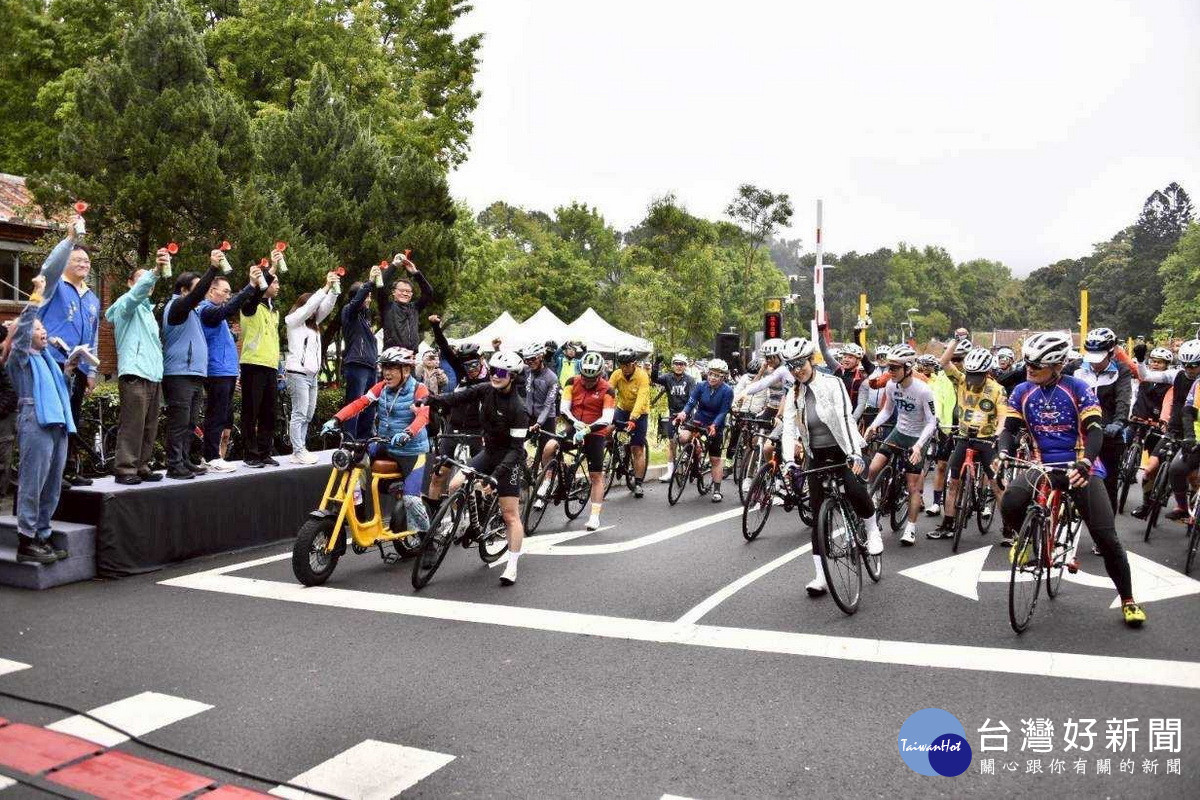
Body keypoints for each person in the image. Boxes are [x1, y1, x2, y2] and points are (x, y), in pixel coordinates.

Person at [995, 331, 1147, 627]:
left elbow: (1094, 430)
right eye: (1027, 363)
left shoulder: (1078, 388)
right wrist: (1003, 452)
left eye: (1037, 365)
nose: (1029, 368)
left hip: (1080, 466)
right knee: (1011, 499)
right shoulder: (1022, 390)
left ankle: (1128, 599)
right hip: (1042, 465)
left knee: (1105, 536)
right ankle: (1028, 545)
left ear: (1056, 366)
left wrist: (1086, 462)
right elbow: (1010, 430)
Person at [779, 337, 882, 596]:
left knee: (854, 488)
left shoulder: (833, 383)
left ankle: (871, 529)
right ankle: (820, 577)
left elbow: (846, 420)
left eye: (800, 363)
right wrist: (789, 461)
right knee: (817, 516)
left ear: (811, 360)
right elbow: (789, 430)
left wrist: (854, 454)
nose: (796, 370)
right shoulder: (793, 394)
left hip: (844, 449)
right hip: (816, 454)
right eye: (791, 366)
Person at [422, 351, 529, 586]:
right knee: (455, 485)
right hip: (488, 452)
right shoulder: (486, 389)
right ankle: (473, 519)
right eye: (492, 370)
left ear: (512, 376)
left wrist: (494, 477)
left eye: (501, 372)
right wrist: (433, 399)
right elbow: (458, 398)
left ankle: (512, 565)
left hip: (509, 460)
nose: (495, 376)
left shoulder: (518, 409)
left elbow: (516, 450)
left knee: (510, 515)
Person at [7, 228, 78, 563]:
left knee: (52, 483)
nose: (42, 330)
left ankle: (44, 535)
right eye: (38, 329)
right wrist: (34, 299)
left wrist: (70, 367)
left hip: (58, 421)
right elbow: (21, 330)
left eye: (42, 328)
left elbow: (60, 387)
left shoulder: (48, 358)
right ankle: (26, 539)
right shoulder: (20, 359)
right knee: (33, 482)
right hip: (35, 418)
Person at [322, 347, 431, 551]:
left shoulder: (420, 390)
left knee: (411, 499)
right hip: (384, 444)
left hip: (411, 451)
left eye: (392, 368)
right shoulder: (381, 387)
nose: (386, 373)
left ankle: (428, 544)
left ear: (406, 370)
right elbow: (360, 403)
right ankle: (360, 517)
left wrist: (408, 432)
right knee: (353, 462)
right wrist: (336, 419)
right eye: (384, 367)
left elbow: (423, 416)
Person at [36, 240, 100, 487]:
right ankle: (51, 474)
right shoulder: (54, 286)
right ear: (65, 263)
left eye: (87, 261)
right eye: (78, 260)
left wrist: (92, 370)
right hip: (54, 362)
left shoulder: (92, 297)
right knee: (55, 417)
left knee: (73, 417)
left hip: (80, 366)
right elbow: (48, 268)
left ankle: (68, 470)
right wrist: (70, 238)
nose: (84, 264)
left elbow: (94, 334)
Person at [928, 346, 1007, 538]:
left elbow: (1004, 417)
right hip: (964, 439)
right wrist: (956, 341)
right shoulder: (962, 380)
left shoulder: (997, 389)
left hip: (987, 440)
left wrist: (998, 435)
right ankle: (948, 524)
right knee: (953, 482)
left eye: (977, 375)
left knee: (998, 485)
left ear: (987, 372)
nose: (972, 379)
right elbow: (944, 362)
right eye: (970, 374)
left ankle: (1009, 528)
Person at [104, 252, 169, 484]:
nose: (147, 286)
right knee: (133, 423)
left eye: (148, 282)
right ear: (131, 283)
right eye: (140, 280)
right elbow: (135, 296)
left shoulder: (149, 312)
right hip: (134, 372)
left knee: (150, 425)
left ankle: (141, 465)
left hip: (153, 374)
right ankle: (125, 469)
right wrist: (153, 273)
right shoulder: (125, 305)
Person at [864, 344, 939, 545]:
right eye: (889, 367)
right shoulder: (890, 384)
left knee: (913, 486)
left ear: (908, 368)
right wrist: (873, 425)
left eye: (895, 368)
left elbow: (932, 422)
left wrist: (919, 446)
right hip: (899, 432)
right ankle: (874, 499)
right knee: (873, 467)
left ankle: (911, 527)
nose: (891, 372)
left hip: (917, 438)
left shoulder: (923, 390)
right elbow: (888, 411)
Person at [198, 262, 267, 472]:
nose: (228, 296)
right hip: (216, 371)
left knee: (224, 417)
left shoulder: (218, 315)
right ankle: (210, 456)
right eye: (225, 291)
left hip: (227, 371)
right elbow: (229, 309)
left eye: (230, 292)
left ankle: (215, 456)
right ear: (211, 290)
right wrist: (249, 286)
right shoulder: (206, 310)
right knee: (216, 415)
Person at [539, 351, 614, 530]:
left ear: (600, 374)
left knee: (596, 475)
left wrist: (588, 428)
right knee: (550, 446)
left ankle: (594, 516)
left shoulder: (607, 389)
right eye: (585, 377)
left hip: (595, 432)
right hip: (575, 426)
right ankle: (549, 480)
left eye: (592, 378)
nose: (588, 381)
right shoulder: (572, 382)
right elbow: (564, 408)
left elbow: (607, 418)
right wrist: (575, 423)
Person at [161, 255, 221, 479]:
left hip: (194, 374)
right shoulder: (177, 306)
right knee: (179, 422)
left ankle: (184, 460)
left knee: (190, 423)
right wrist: (213, 269)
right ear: (185, 290)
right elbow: (197, 295)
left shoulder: (192, 312)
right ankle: (174, 464)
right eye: (197, 288)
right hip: (179, 373)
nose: (203, 292)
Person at [1130, 339, 1200, 520]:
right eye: (1186, 365)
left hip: (1193, 433)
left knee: (1192, 476)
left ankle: (1191, 508)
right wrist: (1140, 360)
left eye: (1194, 365)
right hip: (1174, 430)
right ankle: (1146, 505)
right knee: (1149, 470)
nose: (1189, 369)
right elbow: (1145, 376)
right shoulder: (1176, 374)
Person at [427, 314, 490, 504]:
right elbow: (445, 349)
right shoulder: (462, 371)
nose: (470, 369)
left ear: (481, 360)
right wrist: (436, 327)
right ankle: (431, 520)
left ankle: (483, 514)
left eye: (473, 364)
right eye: (466, 365)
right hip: (453, 427)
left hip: (477, 430)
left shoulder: (493, 377)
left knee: (480, 479)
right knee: (438, 476)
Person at [1068, 327, 1132, 510]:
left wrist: (1119, 422)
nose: (1095, 363)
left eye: (1100, 357)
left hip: (1107, 432)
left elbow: (1123, 399)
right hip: (1077, 432)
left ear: (1111, 353)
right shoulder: (1074, 368)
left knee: (1108, 484)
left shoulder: (1121, 371)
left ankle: (1107, 529)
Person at [284, 270, 339, 464]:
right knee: (299, 413)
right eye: (312, 308)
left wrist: (333, 289)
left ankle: (300, 450)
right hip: (297, 373)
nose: (316, 312)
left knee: (308, 413)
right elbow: (310, 307)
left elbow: (327, 307)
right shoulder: (293, 321)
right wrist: (324, 287)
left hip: (312, 375)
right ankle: (298, 450)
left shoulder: (313, 325)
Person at [239, 254, 283, 467]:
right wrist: (272, 268)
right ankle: (250, 453)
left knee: (269, 412)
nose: (278, 286)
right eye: (275, 282)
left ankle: (265, 451)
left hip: (270, 366)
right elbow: (254, 297)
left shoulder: (274, 310)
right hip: (253, 364)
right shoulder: (250, 304)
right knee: (251, 411)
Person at [675, 358, 734, 502]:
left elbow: (723, 411)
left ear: (723, 377)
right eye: (711, 374)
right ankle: (694, 456)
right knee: (683, 437)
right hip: (699, 419)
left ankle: (717, 490)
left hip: (715, 424)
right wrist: (683, 413)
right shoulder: (701, 386)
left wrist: (714, 425)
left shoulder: (727, 391)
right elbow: (691, 402)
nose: (712, 378)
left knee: (715, 459)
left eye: (717, 375)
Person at [340, 272, 378, 439]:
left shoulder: (365, 318)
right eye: (366, 296)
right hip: (356, 364)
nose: (369, 299)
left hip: (370, 366)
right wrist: (370, 282)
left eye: (370, 297)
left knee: (369, 405)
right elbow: (357, 302)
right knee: (355, 404)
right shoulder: (350, 311)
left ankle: (364, 441)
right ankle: (349, 441)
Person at [610, 347, 652, 497]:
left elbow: (641, 399)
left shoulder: (642, 376)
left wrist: (633, 418)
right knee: (607, 429)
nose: (624, 368)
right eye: (621, 364)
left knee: (636, 448)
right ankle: (615, 452)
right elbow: (608, 393)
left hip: (639, 413)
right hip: (622, 409)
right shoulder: (617, 374)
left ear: (634, 364)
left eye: (627, 365)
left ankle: (639, 483)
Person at [378, 252, 437, 351]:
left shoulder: (415, 308)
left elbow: (428, 292)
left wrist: (415, 272)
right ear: (393, 292)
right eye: (402, 290)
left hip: (411, 357)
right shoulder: (387, 307)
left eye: (408, 291)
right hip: (392, 356)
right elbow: (381, 286)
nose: (405, 293)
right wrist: (394, 266)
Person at [521, 342, 560, 458]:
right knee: (514, 442)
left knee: (547, 453)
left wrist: (539, 423)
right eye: (527, 360)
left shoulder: (552, 378)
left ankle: (555, 470)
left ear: (541, 356)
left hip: (547, 418)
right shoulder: (527, 370)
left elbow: (548, 404)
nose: (530, 362)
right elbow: (505, 369)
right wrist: (497, 349)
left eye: (533, 358)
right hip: (530, 416)